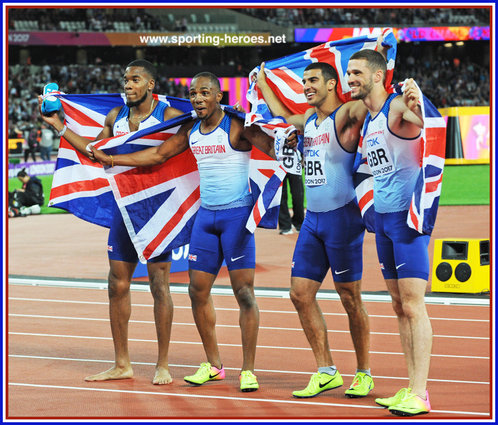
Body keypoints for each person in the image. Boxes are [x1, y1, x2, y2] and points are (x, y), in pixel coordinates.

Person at [91, 72, 283, 392]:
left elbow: (272, 146)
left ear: (218, 96)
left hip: (236, 217)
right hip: (205, 219)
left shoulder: (237, 126)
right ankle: (214, 364)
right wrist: (112, 157)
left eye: (205, 93)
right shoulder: (191, 129)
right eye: (193, 94)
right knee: (197, 291)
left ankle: (248, 369)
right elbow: (158, 155)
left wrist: (284, 139)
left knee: (244, 294)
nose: (197, 99)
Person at [38, 59, 184, 385]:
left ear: (150, 85)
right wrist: (58, 126)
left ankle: (163, 365)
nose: (127, 84)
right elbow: (94, 151)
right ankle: (122, 364)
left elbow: (183, 144)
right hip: (123, 209)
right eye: (125, 79)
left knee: (159, 285)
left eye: (134, 80)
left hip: (156, 211)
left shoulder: (170, 117)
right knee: (116, 285)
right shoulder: (115, 117)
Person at [255, 61, 374, 399]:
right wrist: (263, 85)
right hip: (312, 220)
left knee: (350, 298)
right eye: (304, 80)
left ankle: (364, 373)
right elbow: (280, 115)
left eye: (312, 80)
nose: (306, 86)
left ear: (332, 83)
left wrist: (378, 59)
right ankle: (326, 371)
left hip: (343, 219)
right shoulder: (308, 120)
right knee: (300, 294)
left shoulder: (346, 114)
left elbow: (368, 102)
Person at [347, 49, 433, 416]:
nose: (350, 78)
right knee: (399, 307)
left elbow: (430, 123)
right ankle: (411, 386)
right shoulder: (369, 120)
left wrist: (420, 101)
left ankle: (421, 393)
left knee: (413, 306)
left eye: (356, 73)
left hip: (408, 222)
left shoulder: (397, 108)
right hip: (383, 222)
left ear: (378, 76)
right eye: (348, 72)